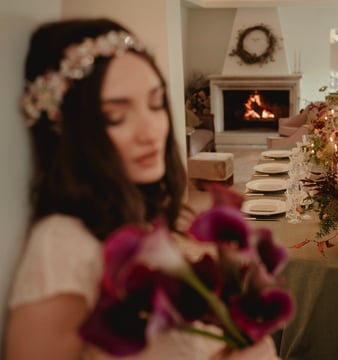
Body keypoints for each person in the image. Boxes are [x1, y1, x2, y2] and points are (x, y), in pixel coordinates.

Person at [5, 18, 279, 360]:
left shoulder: (135, 214)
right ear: (69, 129)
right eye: (115, 117)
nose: (150, 131)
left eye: (155, 104)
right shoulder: (62, 246)